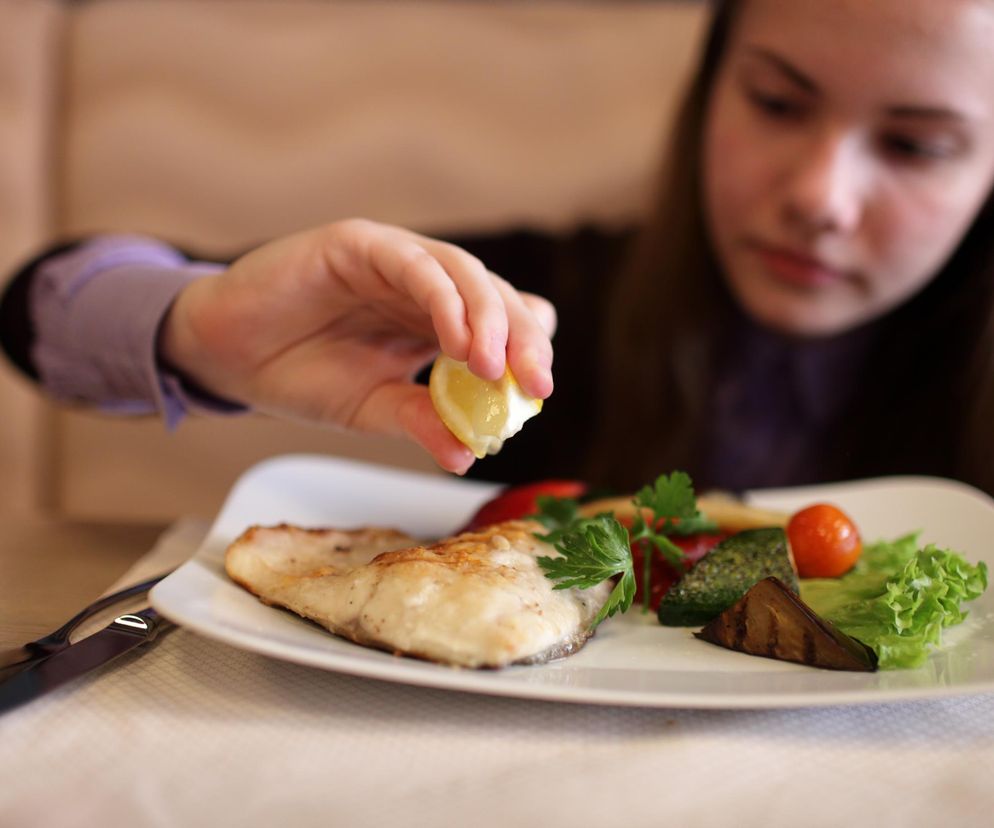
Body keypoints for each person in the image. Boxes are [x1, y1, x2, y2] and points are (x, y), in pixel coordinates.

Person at [3, 0, 994, 497]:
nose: (820, 197)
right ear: (707, 92)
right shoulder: (530, 300)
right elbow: (38, 308)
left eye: (915, 147)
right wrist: (197, 328)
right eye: (774, 102)